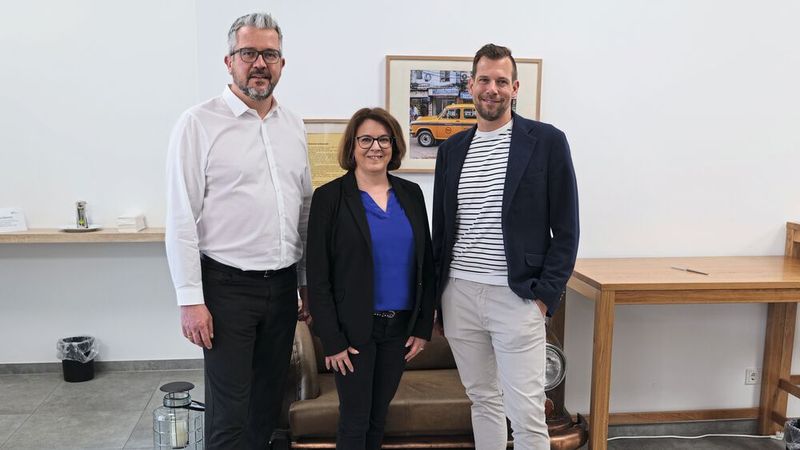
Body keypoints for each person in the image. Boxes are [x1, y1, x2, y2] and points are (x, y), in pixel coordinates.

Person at [165, 12, 312, 449]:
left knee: (267, 404)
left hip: (283, 287)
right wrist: (191, 299)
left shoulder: (293, 125)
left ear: (282, 64)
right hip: (227, 287)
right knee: (229, 411)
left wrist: (304, 284)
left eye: (270, 54)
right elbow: (180, 218)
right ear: (229, 61)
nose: (260, 63)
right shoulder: (198, 123)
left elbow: (302, 210)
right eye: (249, 53)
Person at [432, 44, 579, 449]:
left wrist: (544, 298)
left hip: (517, 297)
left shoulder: (546, 142)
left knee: (527, 411)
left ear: (515, 88)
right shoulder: (451, 150)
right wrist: (436, 298)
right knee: (482, 400)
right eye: (484, 80)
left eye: (501, 81)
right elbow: (442, 231)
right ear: (470, 85)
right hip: (459, 293)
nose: (492, 88)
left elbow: (567, 229)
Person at [307, 107, 435, 449]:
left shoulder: (411, 195)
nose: (375, 147)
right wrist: (331, 340)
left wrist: (423, 328)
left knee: (379, 416)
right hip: (353, 333)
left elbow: (428, 265)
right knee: (355, 419)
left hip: (400, 331)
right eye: (365, 139)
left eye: (383, 139)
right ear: (352, 146)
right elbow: (317, 276)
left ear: (394, 146)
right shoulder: (329, 198)